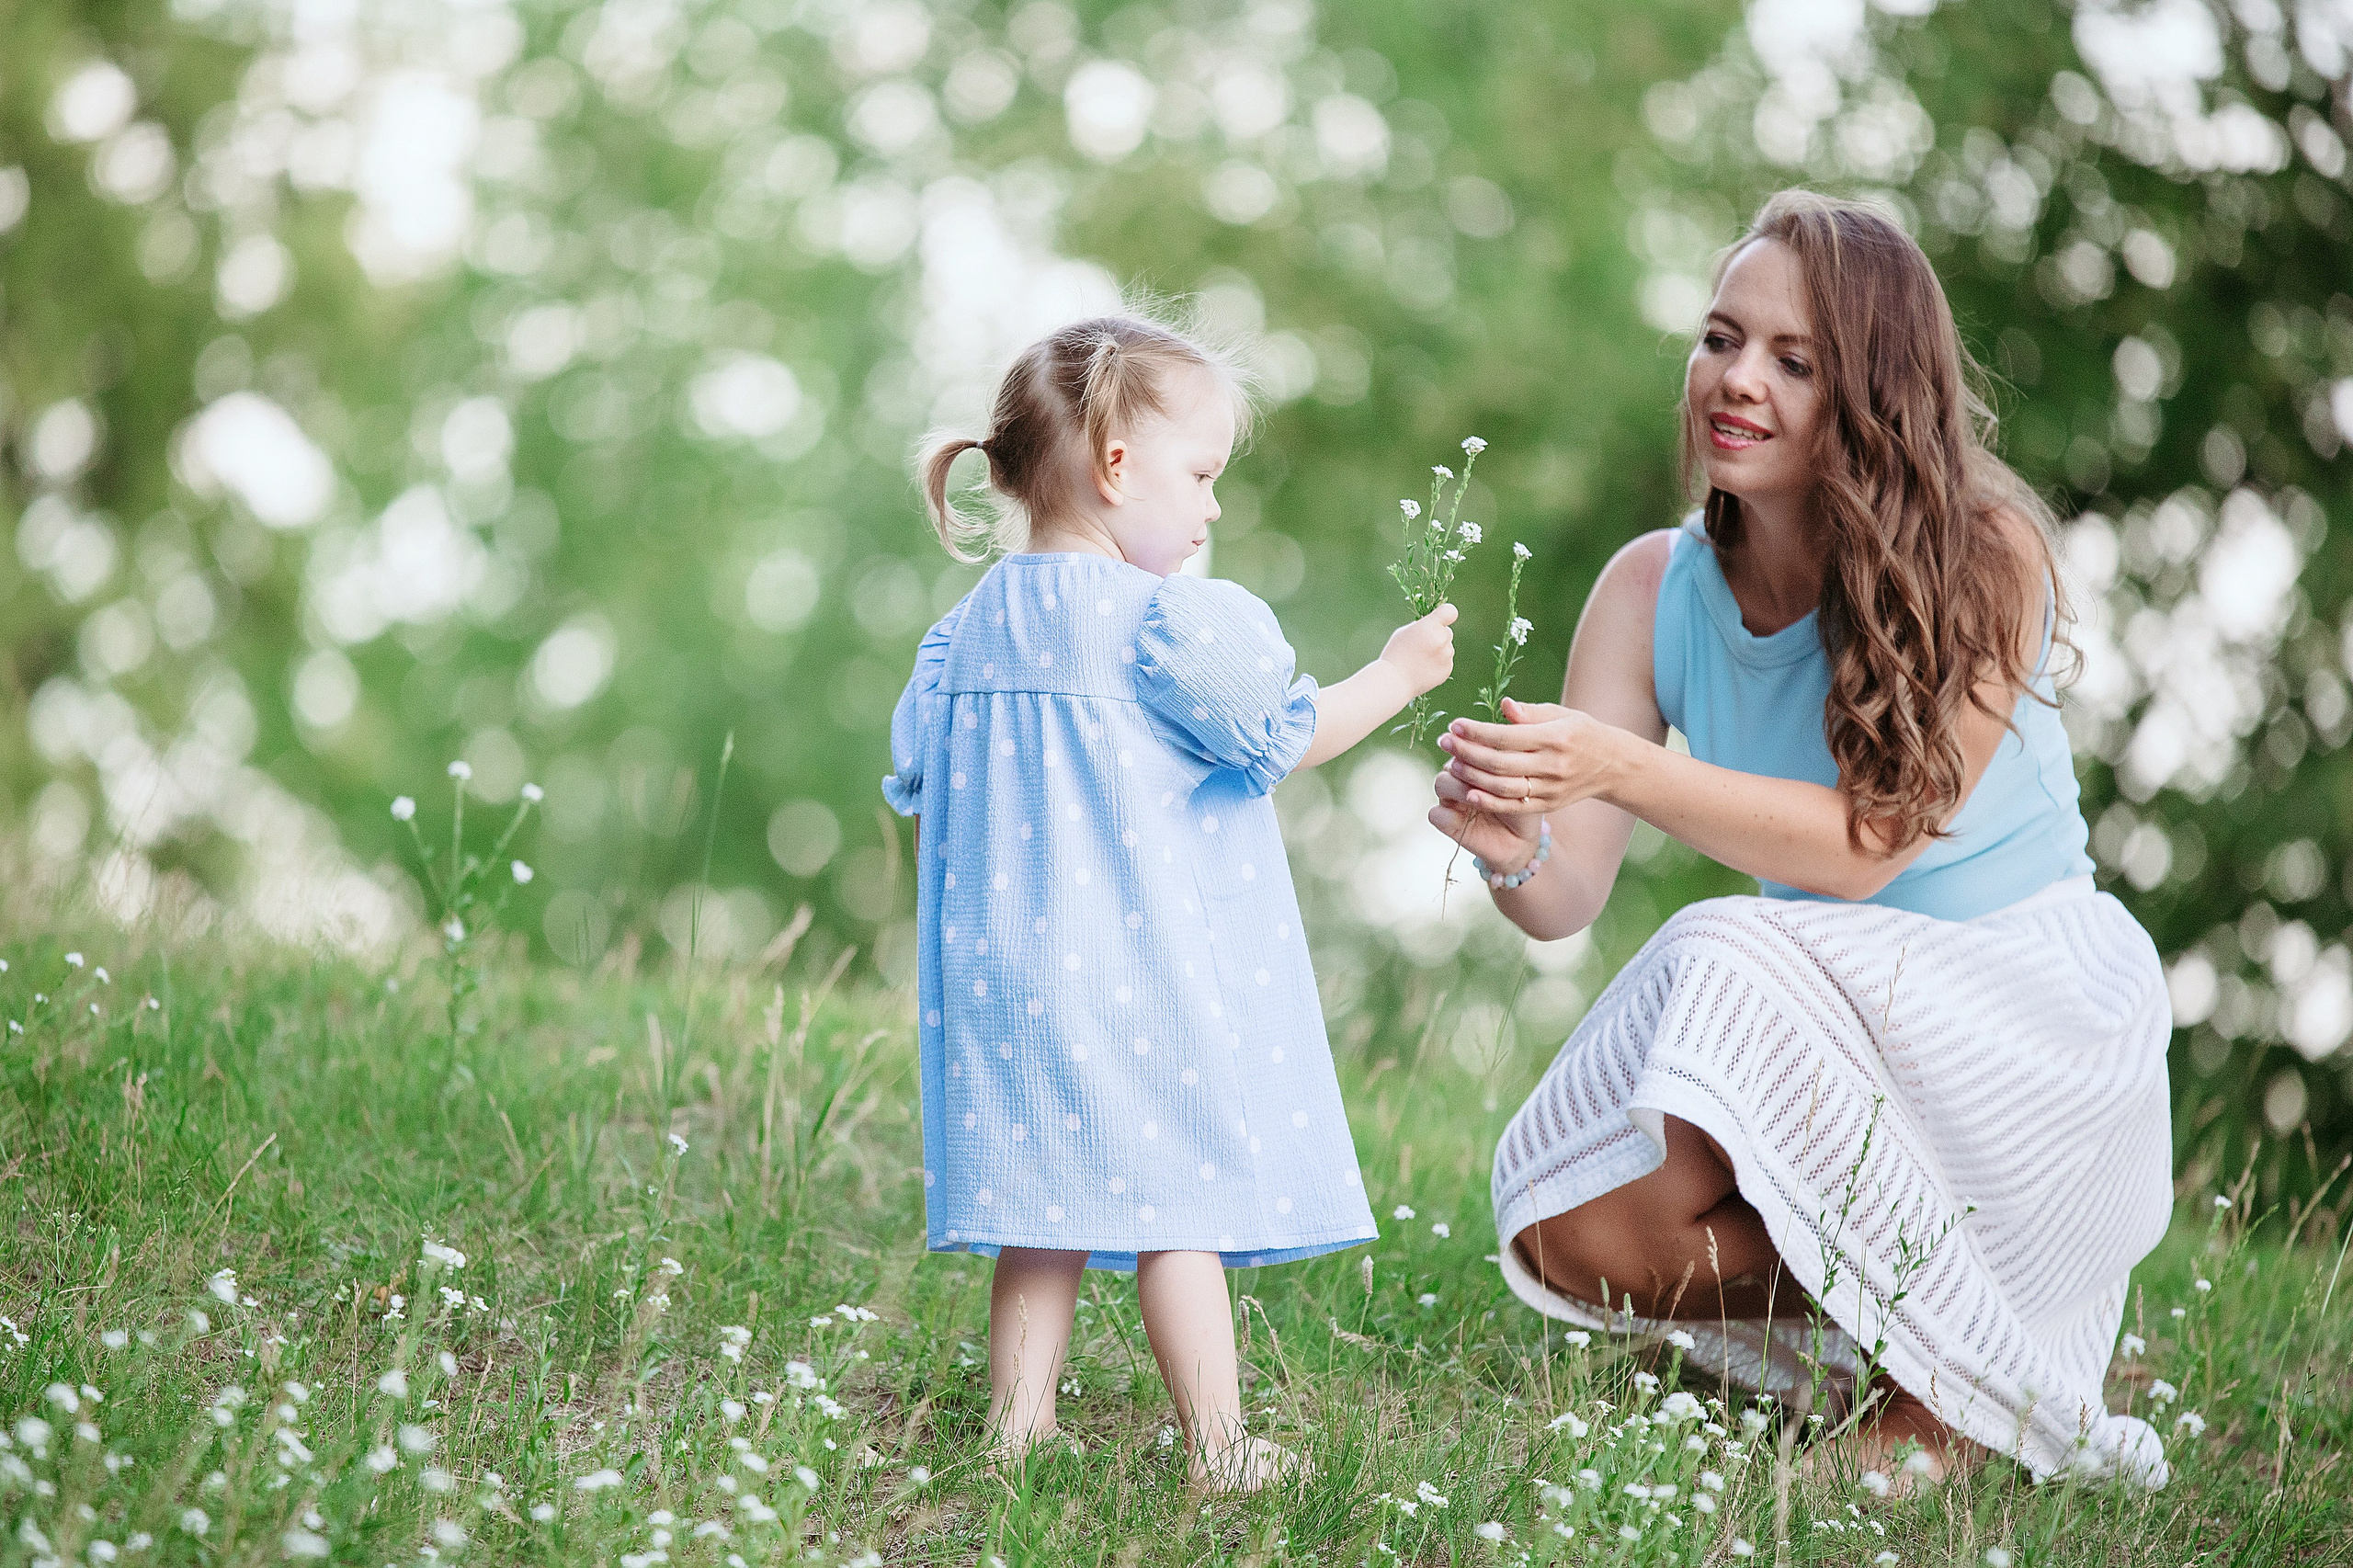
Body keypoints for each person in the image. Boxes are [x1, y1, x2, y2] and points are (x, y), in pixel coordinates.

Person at [1429, 191, 2173, 1486]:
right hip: (1834, 1026)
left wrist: (1617, 762)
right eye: (1722, 339)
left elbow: (1871, 847)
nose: (1737, 380)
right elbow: (1565, 900)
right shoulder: (1652, 587)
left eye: (1794, 360)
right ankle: (1936, 1328)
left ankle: (1946, 1380)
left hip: (2024, 1011)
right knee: (1569, 1229)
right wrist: (1513, 844)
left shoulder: (1985, 558)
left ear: (1873, 394)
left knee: (1719, 945)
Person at [881, 311, 1458, 1488]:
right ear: (1114, 466)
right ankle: (1218, 1440)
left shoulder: (964, 633)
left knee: (1044, 1205)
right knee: (1175, 1202)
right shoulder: (1163, 626)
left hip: (1003, 975)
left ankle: (1017, 1424)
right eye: (1199, 476)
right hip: (1131, 971)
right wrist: (1393, 674)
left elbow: (918, 770)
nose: (1208, 509)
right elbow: (1286, 735)